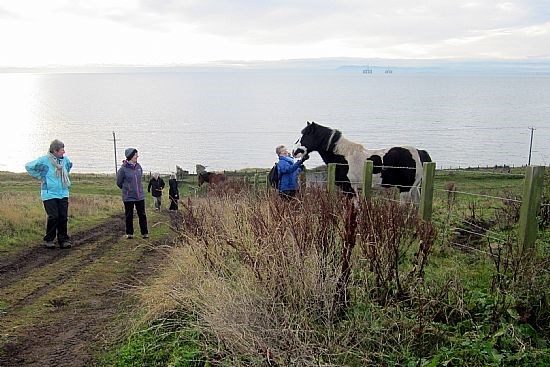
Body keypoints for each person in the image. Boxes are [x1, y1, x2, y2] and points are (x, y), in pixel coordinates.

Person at [25, 139, 73, 249]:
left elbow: (69, 166)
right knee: (53, 216)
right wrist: (40, 176)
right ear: (54, 151)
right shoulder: (44, 160)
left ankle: (63, 240)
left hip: (63, 192)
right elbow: (29, 166)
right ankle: (49, 239)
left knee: (63, 217)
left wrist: (64, 177)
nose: (64, 152)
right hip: (49, 193)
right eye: (62, 150)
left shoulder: (65, 160)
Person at [116, 148, 149, 239]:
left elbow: (139, 180)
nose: (137, 156)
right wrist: (127, 189)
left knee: (142, 214)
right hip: (128, 197)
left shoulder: (139, 167)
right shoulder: (123, 169)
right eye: (135, 155)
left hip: (140, 196)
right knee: (129, 215)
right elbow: (119, 182)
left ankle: (145, 233)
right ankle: (130, 233)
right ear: (130, 156)